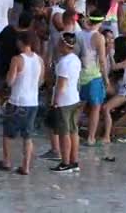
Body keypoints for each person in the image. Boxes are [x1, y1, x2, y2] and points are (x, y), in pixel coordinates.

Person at [0, 31, 42, 175]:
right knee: (28, 136)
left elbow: (10, 81)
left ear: (21, 42)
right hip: (32, 101)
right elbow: (41, 80)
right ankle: (26, 166)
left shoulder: (17, 59)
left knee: (8, 133)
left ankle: (7, 161)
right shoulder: (39, 60)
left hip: (17, 100)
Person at [76, 11, 109, 146]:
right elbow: (101, 60)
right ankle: (90, 137)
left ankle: (73, 133)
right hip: (94, 75)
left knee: (79, 107)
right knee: (95, 108)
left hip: (80, 75)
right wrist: (106, 78)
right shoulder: (99, 37)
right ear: (100, 22)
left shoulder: (79, 34)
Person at [49, 32, 81, 172]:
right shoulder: (75, 59)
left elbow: (61, 84)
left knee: (64, 133)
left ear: (63, 44)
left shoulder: (63, 63)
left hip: (64, 101)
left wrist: (55, 101)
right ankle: (74, 161)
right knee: (74, 131)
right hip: (74, 98)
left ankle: (65, 162)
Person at [101, 36, 126, 143]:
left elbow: (114, 67)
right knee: (100, 92)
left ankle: (107, 136)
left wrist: (109, 54)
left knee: (106, 108)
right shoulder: (123, 57)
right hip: (121, 87)